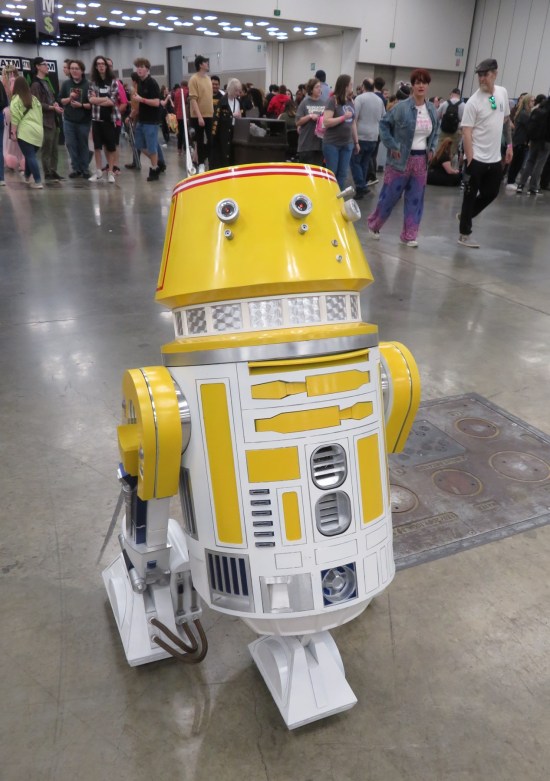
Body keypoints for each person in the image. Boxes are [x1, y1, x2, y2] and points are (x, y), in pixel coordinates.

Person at [367, 68, 439, 247]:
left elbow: (435, 131)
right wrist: (392, 145)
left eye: (424, 82)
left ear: (428, 85)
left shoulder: (431, 109)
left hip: (421, 160)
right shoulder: (401, 107)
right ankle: (374, 225)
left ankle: (410, 235)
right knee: (390, 197)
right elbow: (384, 125)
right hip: (399, 161)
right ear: (412, 85)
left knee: (416, 199)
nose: (421, 85)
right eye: (417, 82)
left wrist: (432, 148)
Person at [457, 58, 512, 248]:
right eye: (479, 75)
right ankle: (464, 234)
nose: (482, 79)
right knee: (470, 195)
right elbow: (466, 131)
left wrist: (510, 146)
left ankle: (466, 215)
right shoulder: (473, 102)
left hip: (495, 157)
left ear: (494, 74)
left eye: (485, 75)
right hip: (476, 158)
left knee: (491, 193)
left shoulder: (502, 93)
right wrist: (470, 159)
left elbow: (506, 121)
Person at [321, 73, 360, 191]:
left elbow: (352, 122)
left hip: (347, 143)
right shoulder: (332, 100)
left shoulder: (351, 101)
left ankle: (338, 200)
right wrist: (343, 117)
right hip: (332, 143)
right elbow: (326, 122)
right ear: (345, 86)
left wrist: (356, 142)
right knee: (332, 174)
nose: (352, 87)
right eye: (351, 85)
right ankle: (330, 198)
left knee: (343, 174)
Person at [350, 78, 385, 198]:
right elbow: (383, 117)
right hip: (374, 137)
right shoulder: (379, 100)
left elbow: (354, 117)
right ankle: (361, 189)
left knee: (354, 162)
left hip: (360, 135)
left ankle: (361, 186)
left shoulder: (360, 98)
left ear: (363, 86)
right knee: (365, 163)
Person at [30, 57, 64, 182]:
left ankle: (53, 170)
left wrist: (55, 105)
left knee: (54, 147)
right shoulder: (35, 84)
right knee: (47, 147)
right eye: (44, 64)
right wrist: (52, 107)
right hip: (45, 121)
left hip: (53, 119)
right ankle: (47, 172)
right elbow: (37, 104)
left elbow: (51, 99)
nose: (47, 66)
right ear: (38, 67)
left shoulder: (45, 82)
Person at [88, 56, 121, 183]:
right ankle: (98, 172)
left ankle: (111, 172)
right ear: (96, 67)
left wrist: (98, 99)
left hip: (109, 119)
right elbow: (91, 100)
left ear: (106, 66)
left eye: (103, 64)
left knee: (111, 147)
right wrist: (104, 99)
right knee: (97, 147)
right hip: (96, 119)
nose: (101, 66)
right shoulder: (92, 82)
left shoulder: (113, 81)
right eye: (98, 64)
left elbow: (112, 101)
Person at [9, 76, 44, 189]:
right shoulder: (34, 99)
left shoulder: (15, 100)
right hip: (38, 131)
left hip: (25, 131)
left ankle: (38, 181)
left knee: (30, 156)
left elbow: (15, 117)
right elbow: (40, 115)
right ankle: (27, 177)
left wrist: (13, 132)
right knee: (31, 156)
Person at [59, 59, 91, 179]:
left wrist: (81, 105)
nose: (74, 71)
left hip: (83, 121)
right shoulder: (66, 84)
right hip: (69, 120)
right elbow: (60, 100)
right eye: (71, 68)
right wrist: (69, 98)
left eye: (76, 68)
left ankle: (85, 169)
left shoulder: (88, 85)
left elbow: (92, 104)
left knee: (83, 144)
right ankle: (76, 168)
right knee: (71, 144)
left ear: (82, 70)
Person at [132, 57, 162, 182]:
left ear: (147, 69)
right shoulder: (140, 83)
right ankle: (158, 163)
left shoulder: (152, 83)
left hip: (151, 121)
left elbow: (156, 102)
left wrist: (142, 100)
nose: (139, 69)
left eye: (142, 67)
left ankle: (154, 169)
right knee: (139, 145)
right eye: (138, 67)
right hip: (142, 120)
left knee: (151, 147)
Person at [515, 95, 550, 195]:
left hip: (534, 139)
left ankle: (521, 185)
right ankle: (533, 187)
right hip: (546, 141)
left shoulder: (538, 109)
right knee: (540, 164)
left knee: (530, 161)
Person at [188, 55, 213, 173]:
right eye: (205, 62)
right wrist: (199, 116)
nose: (207, 64)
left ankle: (207, 160)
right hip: (198, 116)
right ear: (200, 65)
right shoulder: (193, 79)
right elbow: (193, 99)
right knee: (200, 140)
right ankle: (201, 163)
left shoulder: (208, 79)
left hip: (209, 115)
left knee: (211, 140)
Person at [210, 78, 242, 169]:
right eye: (236, 90)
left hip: (234, 134)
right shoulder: (222, 102)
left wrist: (239, 117)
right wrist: (232, 116)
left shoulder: (239, 102)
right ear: (231, 89)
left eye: (239, 91)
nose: (238, 93)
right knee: (222, 158)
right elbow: (216, 120)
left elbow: (242, 116)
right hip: (223, 135)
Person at [295, 78, 326, 166]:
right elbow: (297, 122)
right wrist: (309, 116)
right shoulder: (305, 103)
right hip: (306, 144)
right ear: (311, 90)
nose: (319, 89)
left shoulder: (324, 103)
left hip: (320, 144)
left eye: (320, 87)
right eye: (317, 87)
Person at [505, 93, 533, 189]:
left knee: (518, 162)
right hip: (520, 141)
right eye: (532, 101)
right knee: (516, 162)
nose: (533, 103)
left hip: (520, 141)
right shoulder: (524, 114)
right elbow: (530, 127)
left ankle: (511, 180)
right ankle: (510, 181)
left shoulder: (524, 113)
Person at [437, 88, 464, 159]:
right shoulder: (464, 105)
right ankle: (449, 166)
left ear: (451, 94)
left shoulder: (444, 103)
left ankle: (437, 166)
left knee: (440, 150)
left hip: (443, 130)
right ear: (459, 95)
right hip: (456, 132)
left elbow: (437, 117)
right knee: (451, 152)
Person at [173, 80, 189, 156]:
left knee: (180, 133)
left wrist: (176, 112)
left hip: (179, 115)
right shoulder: (187, 92)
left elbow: (175, 104)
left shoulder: (177, 92)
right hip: (186, 116)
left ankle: (179, 149)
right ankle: (186, 149)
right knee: (186, 133)